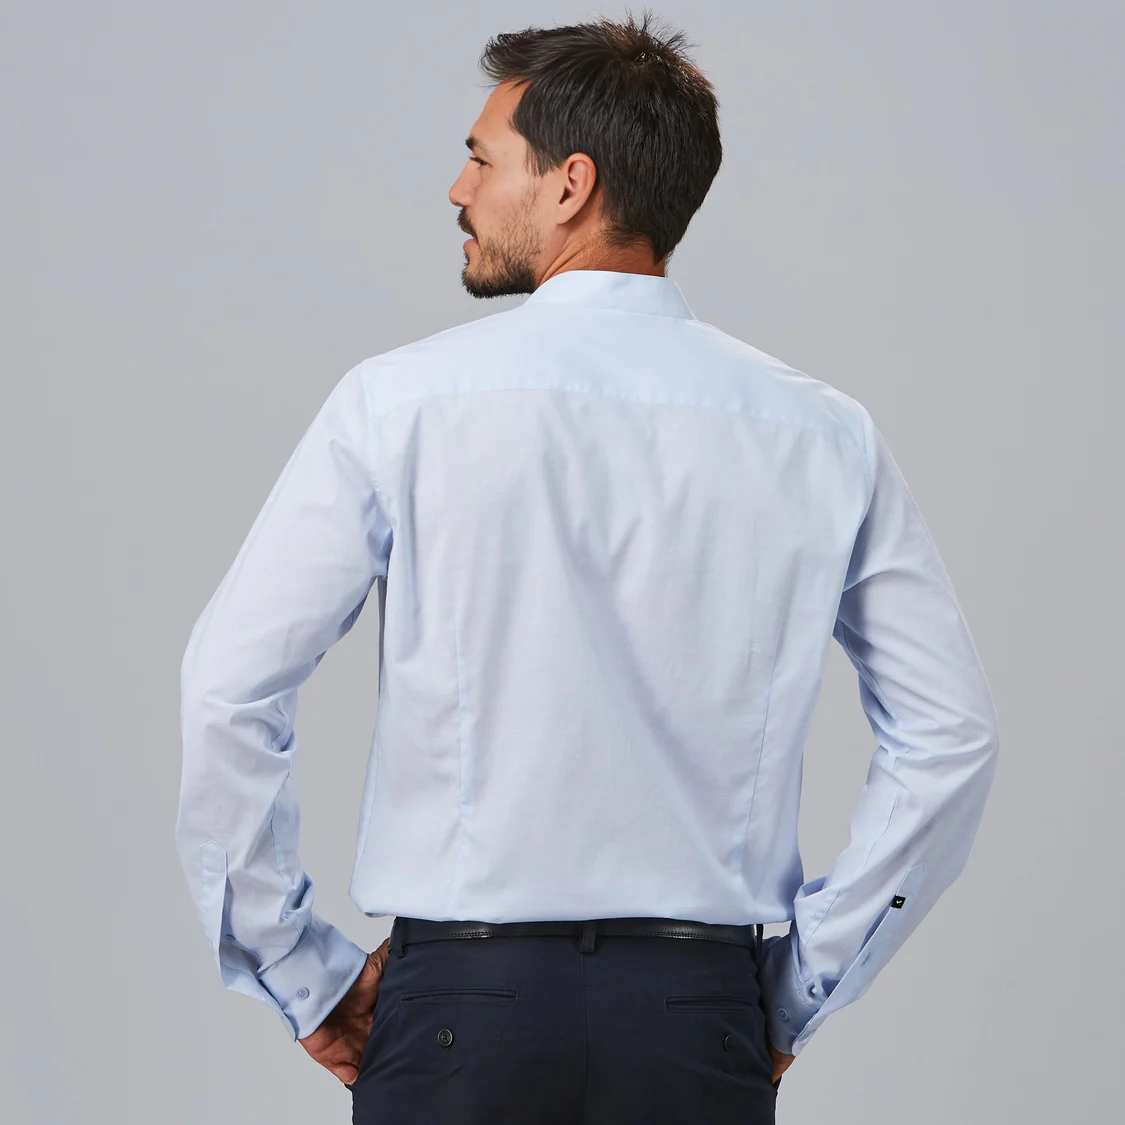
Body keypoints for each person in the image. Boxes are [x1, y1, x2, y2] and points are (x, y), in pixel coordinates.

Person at [175, 12, 999, 1125]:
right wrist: (803, 986)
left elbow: (227, 689)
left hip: (458, 1014)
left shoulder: (402, 403)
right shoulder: (819, 433)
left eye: (481, 159)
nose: (458, 190)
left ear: (571, 184)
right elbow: (950, 738)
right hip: (697, 1015)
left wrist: (298, 969)